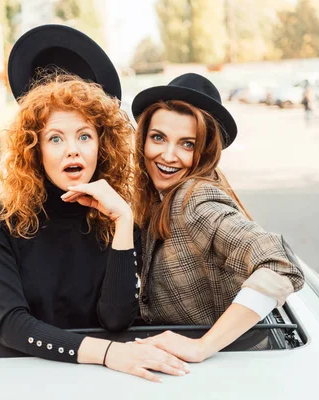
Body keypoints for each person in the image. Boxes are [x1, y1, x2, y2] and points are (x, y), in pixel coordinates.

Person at [0, 24, 189, 382]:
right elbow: (11, 324)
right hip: (28, 378)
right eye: (55, 138)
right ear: (35, 149)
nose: (72, 148)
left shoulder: (120, 217)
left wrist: (122, 220)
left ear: (101, 145)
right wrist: (106, 354)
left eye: (84, 135)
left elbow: (117, 320)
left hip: (111, 380)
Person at [129, 73, 305, 362]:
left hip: (229, 370)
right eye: (158, 138)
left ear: (205, 151)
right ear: (143, 139)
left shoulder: (194, 200)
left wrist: (203, 346)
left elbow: (279, 263)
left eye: (187, 144)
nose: (168, 155)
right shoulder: (159, 197)